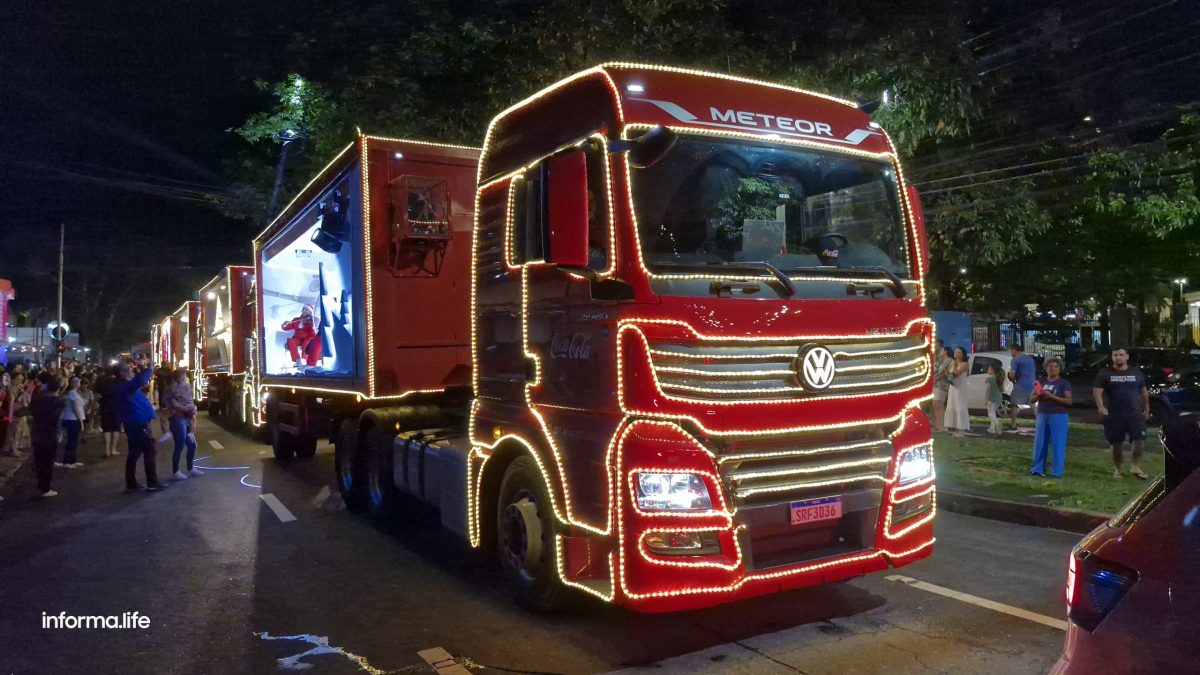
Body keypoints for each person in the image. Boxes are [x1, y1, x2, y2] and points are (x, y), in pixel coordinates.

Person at [1093, 347, 1150, 479]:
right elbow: (1097, 392)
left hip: (1134, 413)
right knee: (1117, 444)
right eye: (1115, 355)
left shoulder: (1136, 373)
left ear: (1127, 357)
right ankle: (1117, 470)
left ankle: (1135, 466)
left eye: (1121, 355)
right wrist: (1101, 407)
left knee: (1139, 439)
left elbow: (1143, 392)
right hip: (1114, 415)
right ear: (1112, 357)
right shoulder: (1105, 373)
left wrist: (1146, 408)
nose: (1118, 357)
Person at [114, 358, 165, 492]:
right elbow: (140, 381)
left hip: (134, 422)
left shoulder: (123, 386)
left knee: (135, 452)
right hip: (137, 423)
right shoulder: (125, 386)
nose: (132, 372)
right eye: (130, 370)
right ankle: (152, 482)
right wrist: (149, 368)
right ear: (123, 373)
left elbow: (139, 381)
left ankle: (131, 484)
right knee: (149, 450)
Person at [1030, 357, 1072, 478]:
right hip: (1043, 414)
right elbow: (1032, 399)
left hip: (1059, 415)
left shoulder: (1064, 383)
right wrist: (1039, 395)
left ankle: (1057, 472)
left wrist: (1051, 396)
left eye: (1055, 366)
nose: (1052, 368)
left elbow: (1068, 401)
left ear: (1059, 369)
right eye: (1050, 366)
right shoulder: (1039, 382)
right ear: (1046, 368)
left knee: (1058, 443)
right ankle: (1037, 468)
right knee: (1040, 442)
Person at [29, 374, 66, 498]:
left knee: (39, 460)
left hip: (37, 432)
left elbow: (31, 414)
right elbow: (59, 419)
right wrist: (60, 433)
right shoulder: (59, 402)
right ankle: (46, 487)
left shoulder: (37, 399)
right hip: (50, 433)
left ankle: (41, 484)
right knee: (48, 461)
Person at [163, 369, 201, 480]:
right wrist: (187, 410)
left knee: (192, 445)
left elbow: (191, 402)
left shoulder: (188, 388)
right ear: (183, 377)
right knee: (179, 446)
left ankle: (190, 468)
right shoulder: (171, 390)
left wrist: (193, 408)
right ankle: (176, 471)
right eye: (185, 375)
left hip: (187, 418)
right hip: (177, 419)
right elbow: (174, 404)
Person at [282, 304, 322, 369]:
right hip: (297, 338)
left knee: (306, 343)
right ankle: (297, 360)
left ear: (310, 312)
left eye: (306, 310)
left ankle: (304, 360)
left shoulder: (313, 319)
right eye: (303, 309)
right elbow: (287, 327)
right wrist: (284, 325)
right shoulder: (296, 319)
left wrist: (312, 320)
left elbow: (317, 326)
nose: (304, 311)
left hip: (308, 337)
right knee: (291, 341)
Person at [57, 376, 86, 469]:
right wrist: (80, 421)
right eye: (77, 382)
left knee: (73, 440)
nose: (79, 383)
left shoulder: (74, 393)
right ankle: (67, 461)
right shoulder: (72, 394)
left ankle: (72, 460)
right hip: (72, 419)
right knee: (71, 441)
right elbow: (75, 408)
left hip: (72, 419)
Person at [1007, 344, 1036, 431]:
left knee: (1014, 404)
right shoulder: (1030, 359)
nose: (1010, 352)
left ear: (1014, 350)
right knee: (1034, 405)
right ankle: (1041, 424)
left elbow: (1012, 374)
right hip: (1034, 384)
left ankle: (1013, 425)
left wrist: (1013, 381)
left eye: (1010, 350)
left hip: (1021, 384)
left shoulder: (1015, 360)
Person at [95, 368, 122, 457]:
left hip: (104, 407)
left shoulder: (100, 381)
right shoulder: (119, 381)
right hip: (117, 406)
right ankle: (113, 449)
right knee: (116, 428)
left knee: (106, 429)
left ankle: (107, 450)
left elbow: (97, 394)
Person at [944, 347, 971, 436]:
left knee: (960, 406)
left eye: (958, 352)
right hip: (953, 387)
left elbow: (956, 374)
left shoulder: (964, 364)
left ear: (962, 354)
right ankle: (956, 428)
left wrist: (955, 365)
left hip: (960, 387)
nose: (956, 354)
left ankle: (962, 429)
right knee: (953, 405)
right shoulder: (953, 363)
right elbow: (949, 374)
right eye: (955, 352)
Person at [931, 340, 952, 433]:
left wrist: (936, 378)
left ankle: (943, 426)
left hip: (941, 385)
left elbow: (944, 373)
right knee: (935, 405)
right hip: (936, 384)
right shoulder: (940, 360)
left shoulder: (948, 361)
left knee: (939, 404)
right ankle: (938, 425)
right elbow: (936, 370)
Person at [985, 364, 1005, 435]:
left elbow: (988, 390)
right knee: (993, 413)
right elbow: (1002, 389)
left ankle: (997, 424)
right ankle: (992, 428)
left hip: (991, 398)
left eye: (989, 369)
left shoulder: (989, 379)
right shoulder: (999, 378)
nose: (987, 370)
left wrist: (986, 399)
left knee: (990, 413)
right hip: (999, 398)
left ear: (992, 370)